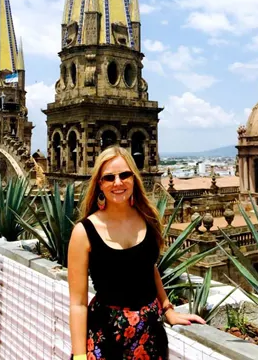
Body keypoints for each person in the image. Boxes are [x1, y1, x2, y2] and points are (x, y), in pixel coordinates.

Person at [68, 146, 205, 360]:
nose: (118, 183)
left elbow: (148, 268)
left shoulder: (147, 219)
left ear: (134, 178)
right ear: (99, 184)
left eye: (124, 175)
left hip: (149, 335)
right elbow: (77, 303)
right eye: (109, 177)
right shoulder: (84, 232)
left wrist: (168, 309)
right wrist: (79, 356)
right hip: (105, 336)